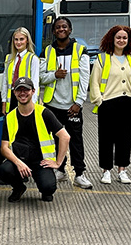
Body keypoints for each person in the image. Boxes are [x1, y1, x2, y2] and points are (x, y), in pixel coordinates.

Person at [39, 17, 92, 189]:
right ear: (53, 31)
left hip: (72, 106)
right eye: (57, 27)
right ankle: (59, 170)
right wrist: (54, 75)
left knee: (76, 141)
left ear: (70, 30)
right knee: (54, 139)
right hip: (52, 105)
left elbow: (84, 79)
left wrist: (79, 102)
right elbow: (40, 77)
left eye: (64, 27)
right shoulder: (47, 51)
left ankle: (80, 174)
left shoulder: (81, 50)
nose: (61, 29)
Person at [0, 77, 70, 203]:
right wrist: (18, 163)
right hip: (20, 159)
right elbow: (4, 147)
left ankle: (45, 190)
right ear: (14, 92)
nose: (22, 93)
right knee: (4, 170)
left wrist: (58, 163)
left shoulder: (44, 113)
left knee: (48, 187)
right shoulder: (10, 117)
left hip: (40, 161)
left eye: (26, 90)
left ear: (33, 91)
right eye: (19, 90)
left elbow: (65, 136)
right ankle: (19, 188)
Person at [89, 25, 131, 185]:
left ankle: (122, 170)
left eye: (124, 38)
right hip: (108, 103)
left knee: (124, 138)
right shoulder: (102, 59)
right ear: (112, 39)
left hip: (127, 102)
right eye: (118, 37)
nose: (121, 40)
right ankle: (106, 171)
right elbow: (94, 82)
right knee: (106, 138)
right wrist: (99, 101)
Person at [1, 27, 39, 114]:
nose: (18, 42)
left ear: (27, 41)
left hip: (25, 97)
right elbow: (5, 82)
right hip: (12, 98)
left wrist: (32, 103)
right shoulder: (9, 58)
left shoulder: (33, 59)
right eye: (16, 39)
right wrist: (4, 102)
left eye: (21, 39)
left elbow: (35, 82)